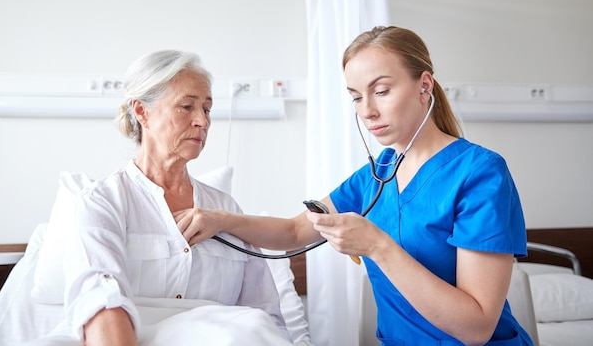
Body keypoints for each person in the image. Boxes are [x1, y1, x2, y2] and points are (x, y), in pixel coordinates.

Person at [176, 26, 534, 345]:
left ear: (424, 86)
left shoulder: (480, 173)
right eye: (356, 97)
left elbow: (476, 328)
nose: (367, 111)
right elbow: (295, 231)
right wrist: (220, 220)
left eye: (381, 91)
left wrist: (377, 246)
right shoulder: (378, 174)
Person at [62, 50, 289, 346]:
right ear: (142, 112)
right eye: (186, 107)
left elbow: (264, 315)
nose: (202, 122)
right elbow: (102, 303)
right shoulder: (102, 203)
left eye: (207, 110)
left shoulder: (225, 210)